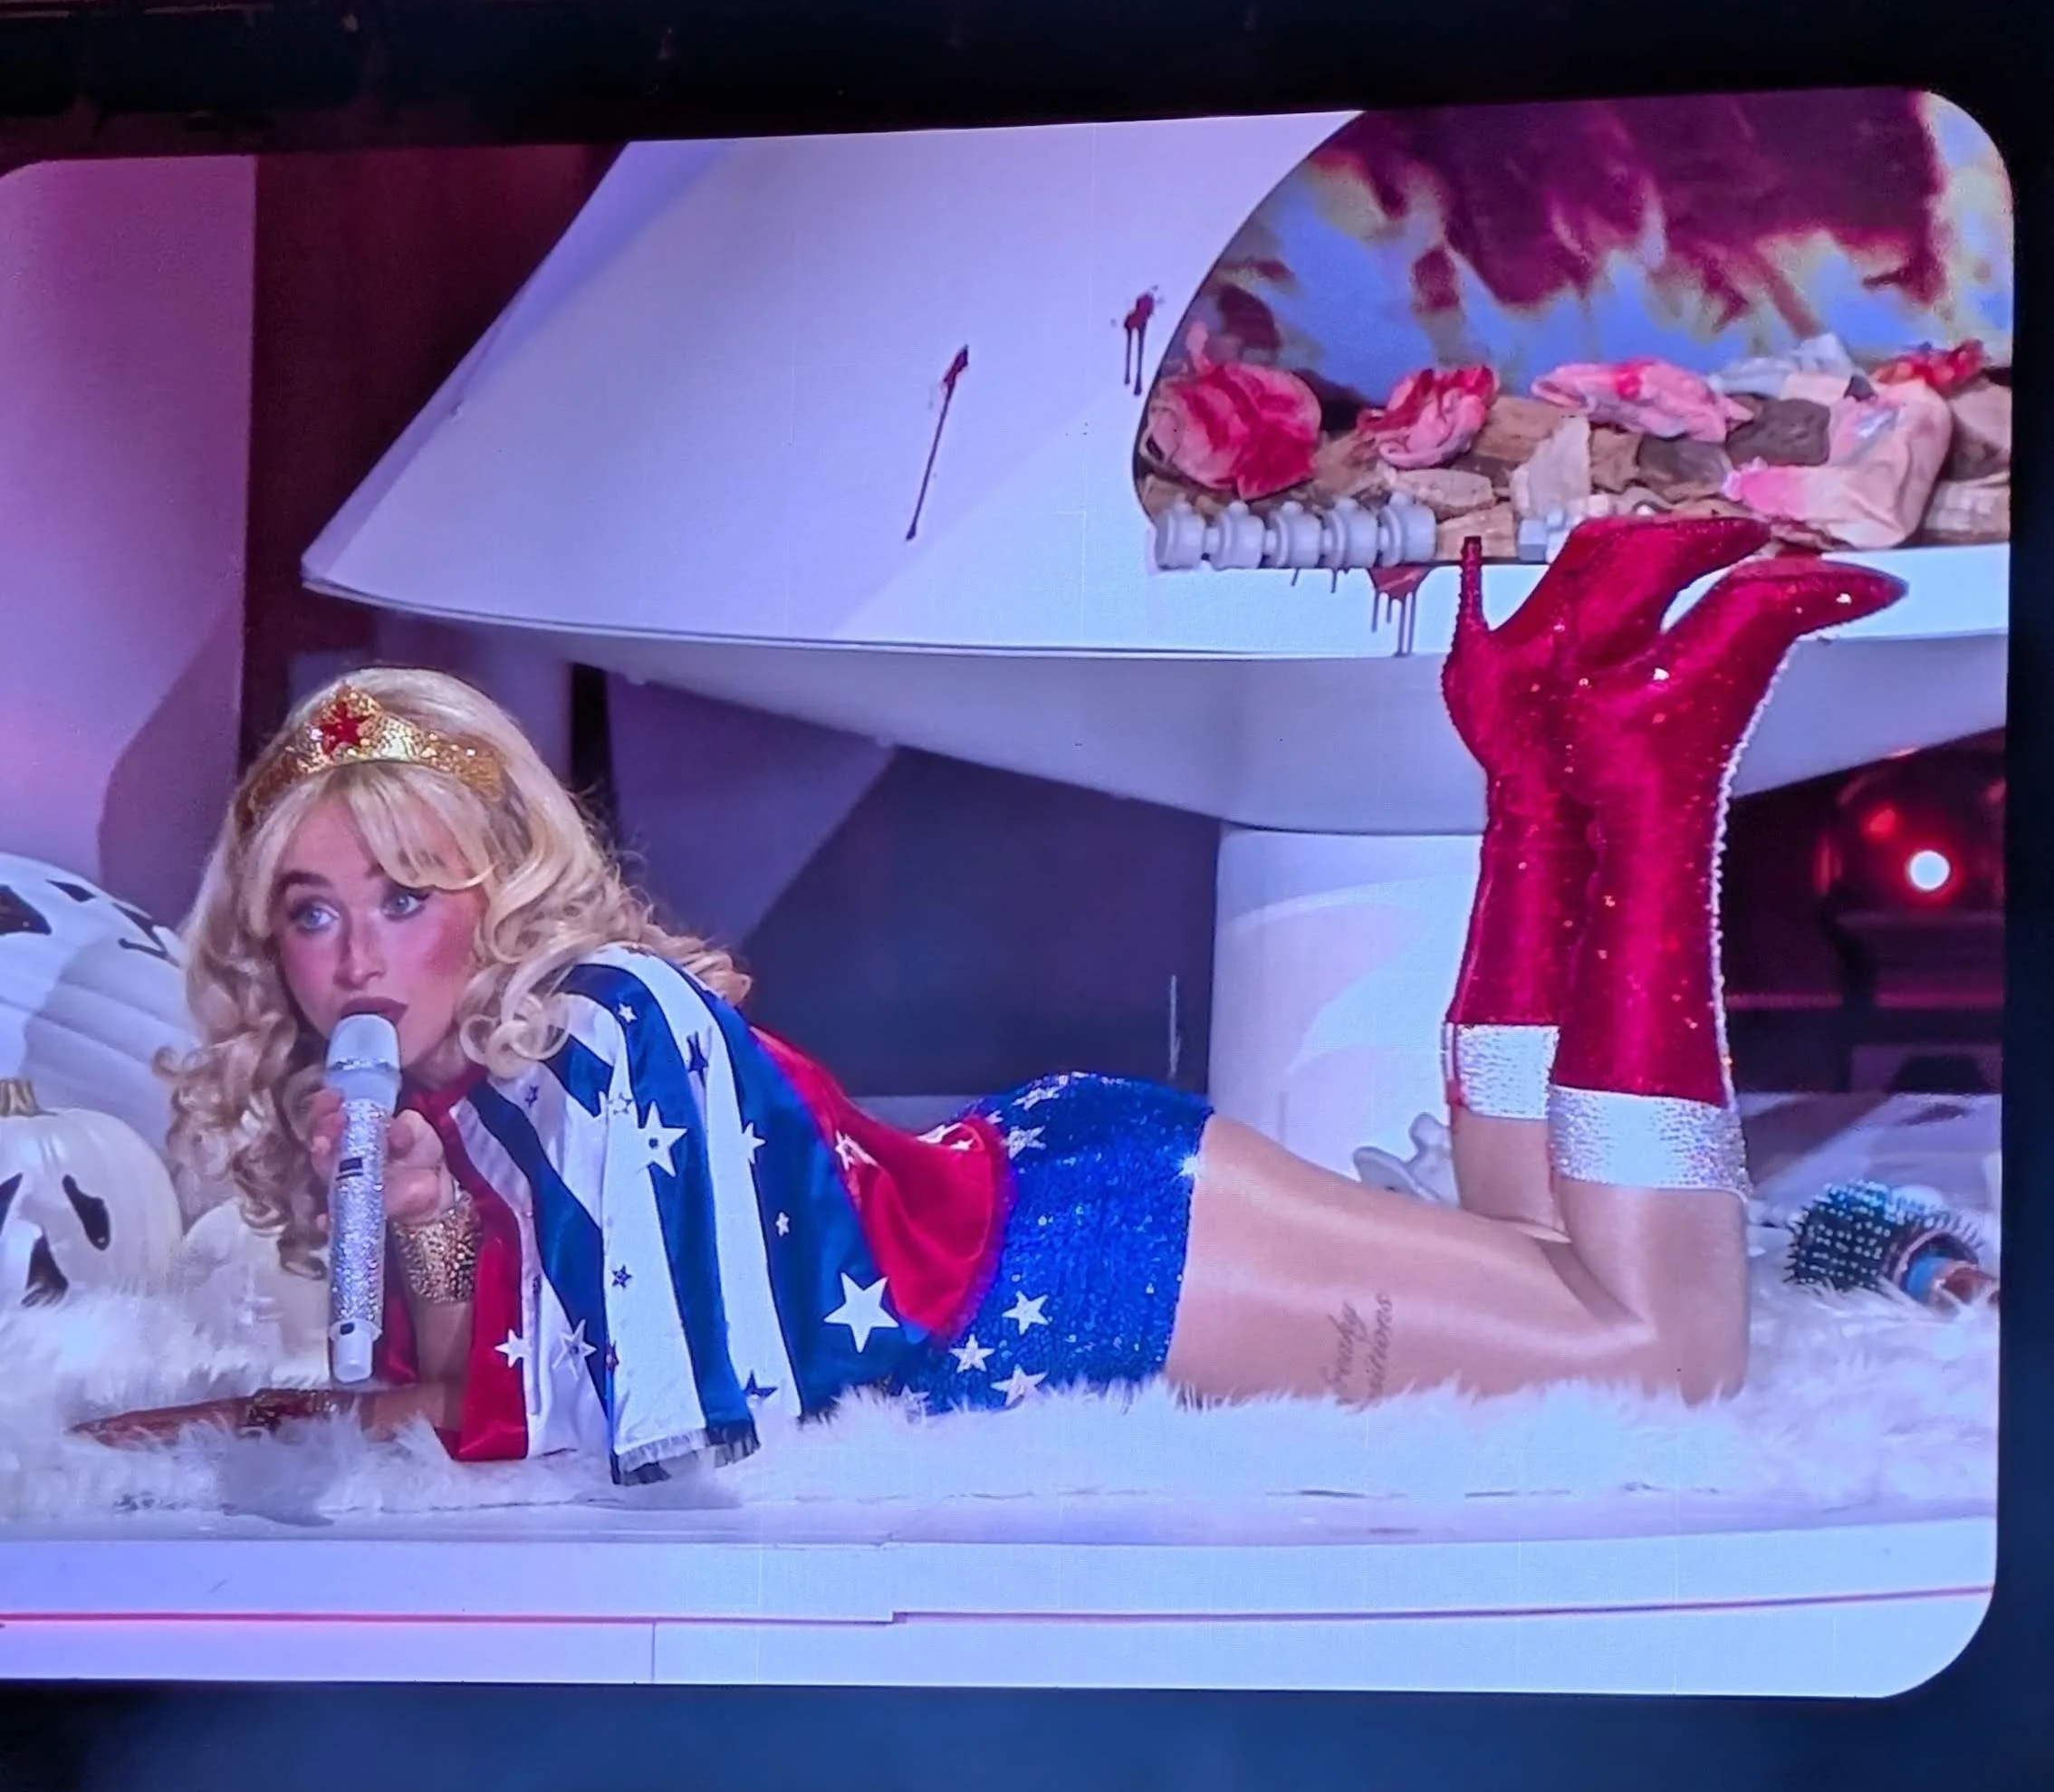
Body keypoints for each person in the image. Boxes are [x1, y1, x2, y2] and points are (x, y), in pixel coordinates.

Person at [162, 532, 1896, 1478]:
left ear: (494, 892)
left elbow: (556, 1425)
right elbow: (472, 1377)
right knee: (1535, 1271)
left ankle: (1654, 786)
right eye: (313, 912)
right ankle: (1534, 760)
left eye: (405, 898)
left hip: (1087, 1270)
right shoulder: (476, 1093)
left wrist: (205, 1429)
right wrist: (416, 1215)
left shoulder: (596, 1033)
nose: (356, 956)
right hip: (1055, 1206)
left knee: (1657, 1361)